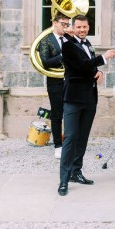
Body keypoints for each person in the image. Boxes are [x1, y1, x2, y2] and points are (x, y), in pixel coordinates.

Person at [58, 15, 115, 196]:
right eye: (79, 27)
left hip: (89, 98)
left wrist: (97, 71)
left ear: (88, 27)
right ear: (73, 28)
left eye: (84, 27)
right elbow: (79, 66)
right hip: (73, 99)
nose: (82, 30)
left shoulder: (88, 43)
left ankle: (76, 171)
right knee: (70, 138)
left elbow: (88, 67)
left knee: (82, 138)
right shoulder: (67, 45)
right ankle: (64, 180)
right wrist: (103, 59)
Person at [38, 13, 72, 159]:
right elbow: (45, 61)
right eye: (63, 24)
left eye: (67, 24)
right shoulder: (46, 40)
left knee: (71, 112)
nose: (66, 27)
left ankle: (70, 143)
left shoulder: (70, 39)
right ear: (55, 23)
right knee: (57, 114)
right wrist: (64, 55)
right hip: (55, 82)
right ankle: (58, 145)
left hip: (71, 80)